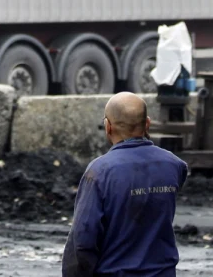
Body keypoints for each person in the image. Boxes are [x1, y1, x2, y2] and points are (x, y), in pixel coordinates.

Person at [62, 92, 190, 277]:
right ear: (147, 124)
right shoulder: (174, 165)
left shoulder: (99, 172)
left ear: (108, 126)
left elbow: (84, 239)